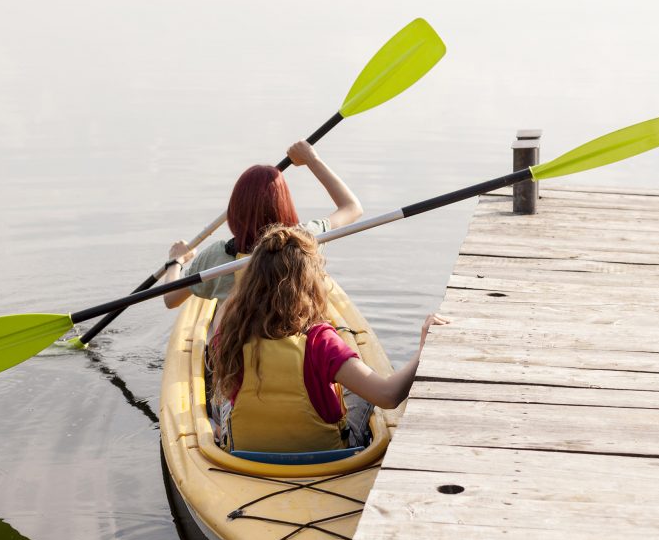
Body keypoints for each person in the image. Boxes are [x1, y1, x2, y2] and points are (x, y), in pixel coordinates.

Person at [209, 224, 449, 454]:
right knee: (358, 392)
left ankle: (221, 433)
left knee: (223, 391)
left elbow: (228, 315)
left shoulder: (230, 335)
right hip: (324, 453)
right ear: (311, 285)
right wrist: (422, 351)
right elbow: (388, 396)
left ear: (251, 283)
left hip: (249, 452)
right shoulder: (320, 342)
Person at [162, 139, 362, 309]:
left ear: (235, 209)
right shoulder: (305, 241)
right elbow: (352, 207)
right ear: (285, 204)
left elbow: (171, 300)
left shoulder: (216, 257)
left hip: (236, 349)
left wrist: (176, 261)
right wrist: (312, 159)